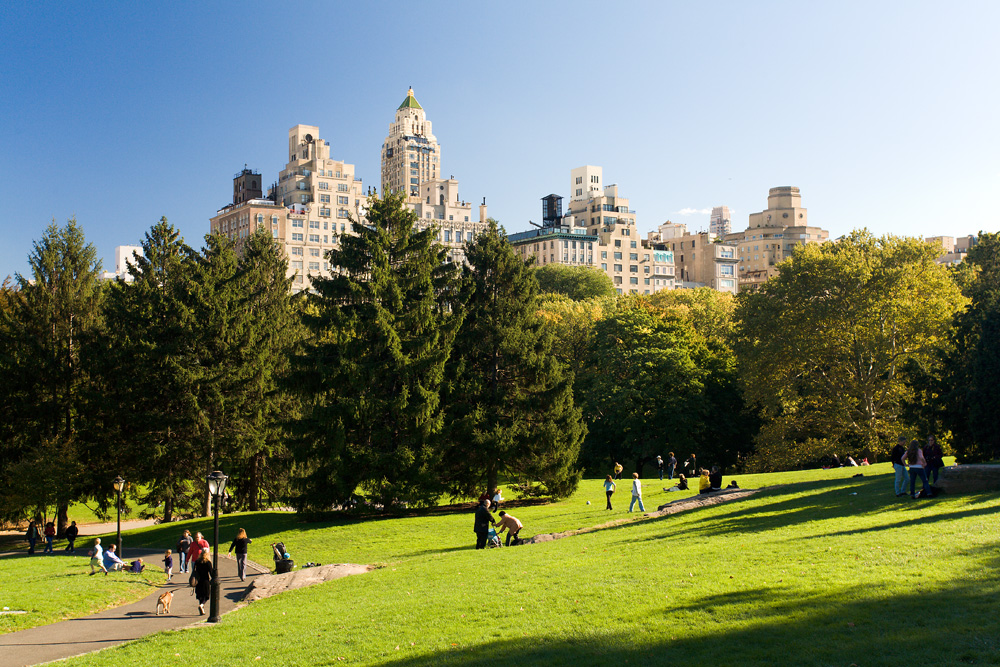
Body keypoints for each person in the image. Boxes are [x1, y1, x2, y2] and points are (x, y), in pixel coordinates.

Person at [192, 549, 214, 615]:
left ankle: (202, 608)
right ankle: (202, 605)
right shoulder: (207, 562)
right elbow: (211, 572)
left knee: (200, 595)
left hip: (198, 581)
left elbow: (194, 570)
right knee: (206, 595)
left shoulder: (197, 561)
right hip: (205, 580)